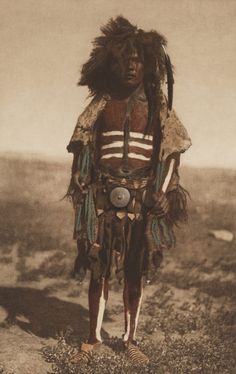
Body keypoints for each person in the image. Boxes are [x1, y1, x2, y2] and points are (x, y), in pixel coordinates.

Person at [66, 16, 191, 366]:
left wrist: (163, 193)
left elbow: (170, 154)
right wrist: (80, 180)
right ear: (113, 64)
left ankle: (130, 338)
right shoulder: (101, 105)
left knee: (135, 269)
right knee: (98, 267)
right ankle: (92, 338)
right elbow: (83, 146)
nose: (131, 67)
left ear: (148, 64)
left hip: (142, 201)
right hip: (103, 198)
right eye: (125, 60)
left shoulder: (158, 108)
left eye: (138, 60)